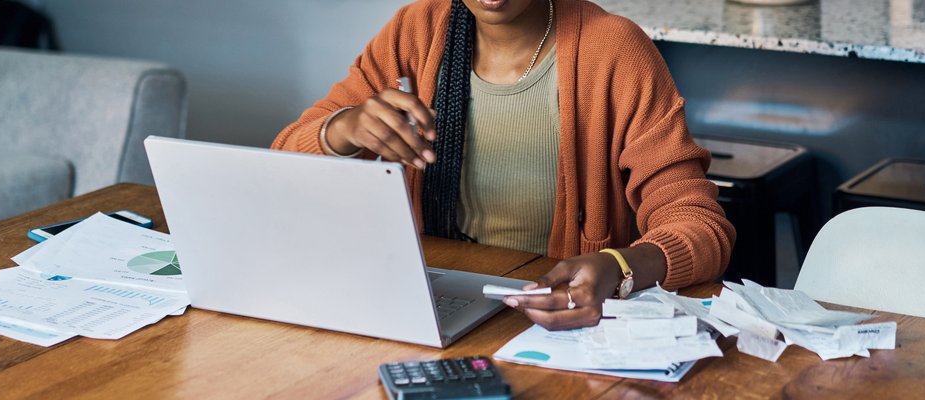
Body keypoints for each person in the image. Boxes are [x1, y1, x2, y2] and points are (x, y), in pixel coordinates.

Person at [272, 0, 735, 331]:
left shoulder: (613, 50)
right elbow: (282, 166)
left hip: (560, 320)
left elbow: (700, 224)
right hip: (432, 305)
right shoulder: (416, 31)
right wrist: (343, 130)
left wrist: (620, 266)